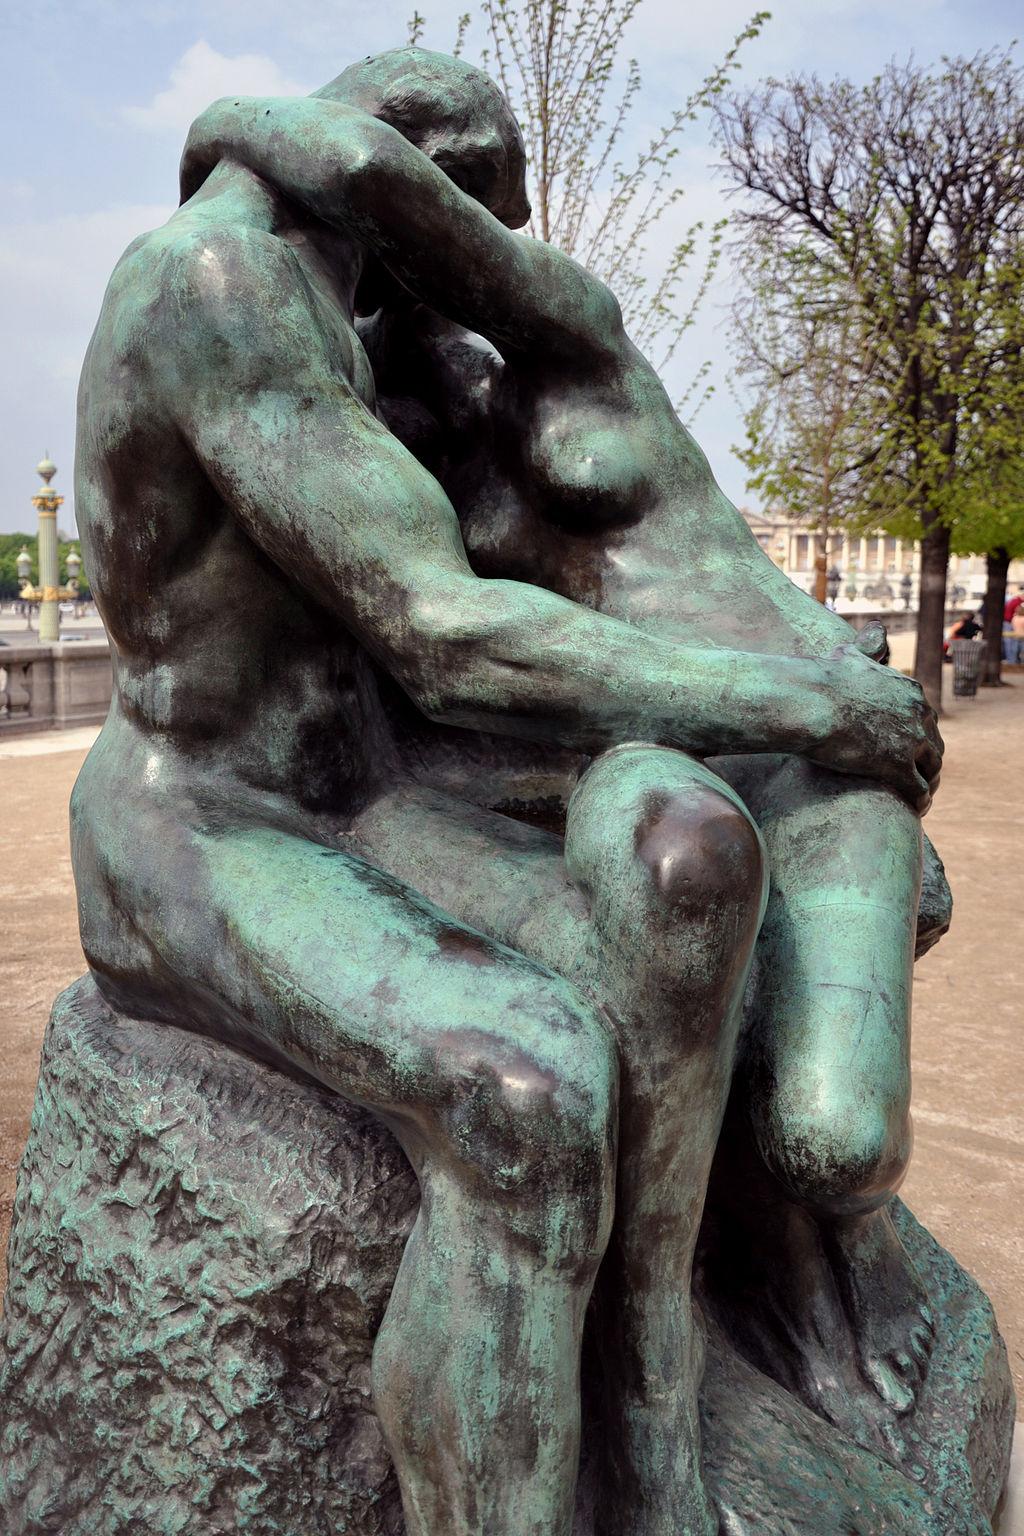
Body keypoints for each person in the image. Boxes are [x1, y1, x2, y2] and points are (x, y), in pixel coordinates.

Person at [71, 50, 941, 1536]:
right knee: (528, 1095)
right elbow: (441, 633)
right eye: (475, 231)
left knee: (677, 887)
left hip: (360, 806)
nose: (476, 287)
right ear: (418, 201)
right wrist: (813, 703)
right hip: (203, 822)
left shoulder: (349, 324)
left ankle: (654, 1386)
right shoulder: (220, 287)